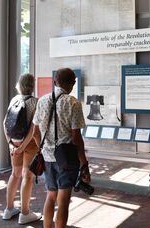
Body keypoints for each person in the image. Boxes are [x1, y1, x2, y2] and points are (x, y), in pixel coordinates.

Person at [33, 68, 91, 228]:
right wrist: (84, 164)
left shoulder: (42, 100)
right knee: (63, 202)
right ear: (72, 84)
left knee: (50, 197)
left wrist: (43, 149)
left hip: (47, 158)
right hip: (66, 159)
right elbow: (77, 138)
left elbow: (34, 133)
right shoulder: (72, 103)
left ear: (55, 82)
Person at [2, 73, 42, 224]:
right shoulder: (35, 102)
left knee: (15, 174)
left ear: (19, 84)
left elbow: (5, 123)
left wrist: (12, 144)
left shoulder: (14, 100)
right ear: (33, 85)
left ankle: (9, 209)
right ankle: (25, 213)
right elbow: (33, 130)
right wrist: (23, 147)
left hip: (14, 142)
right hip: (29, 144)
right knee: (27, 176)